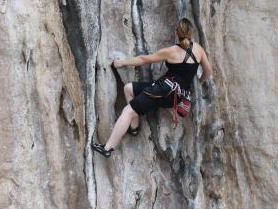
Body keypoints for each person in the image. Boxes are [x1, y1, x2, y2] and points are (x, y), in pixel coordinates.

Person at [91, 18, 213, 158]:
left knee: (127, 111)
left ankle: (108, 148)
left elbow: (143, 59)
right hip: (176, 95)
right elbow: (208, 71)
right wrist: (198, 83)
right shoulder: (198, 49)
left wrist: (122, 63)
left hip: (163, 91)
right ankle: (134, 127)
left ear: (176, 33)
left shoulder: (171, 51)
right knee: (128, 89)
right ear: (191, 33)